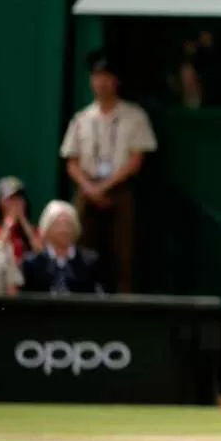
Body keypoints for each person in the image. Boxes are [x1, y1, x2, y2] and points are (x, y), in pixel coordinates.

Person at [59, 51, 159, 293]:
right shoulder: (81, 119)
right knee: (80, 246)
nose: (101, 83)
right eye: (96, 77)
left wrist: (105, 187)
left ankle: (124, 301)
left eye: (107, 76)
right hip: (87, 188)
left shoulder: (134, 116)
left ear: (117, 81)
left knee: (123, 252)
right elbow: (71, 161)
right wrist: (89, 187)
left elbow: (136, 160)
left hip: (119, 189)